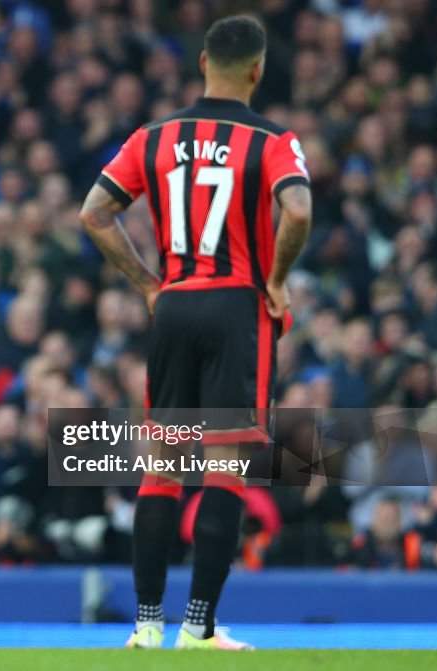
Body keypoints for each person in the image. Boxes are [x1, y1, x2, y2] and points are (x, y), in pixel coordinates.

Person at [79, 16, 312, 650]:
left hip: (175, 306)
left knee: (161, 470)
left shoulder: (153, 137)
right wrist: (280, 278)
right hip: (238, 306)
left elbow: (94, 213)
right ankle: (199, 628)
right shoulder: (271, 140)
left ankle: (146, 627)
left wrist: (148, 283)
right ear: (257, 70)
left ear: (203, 62)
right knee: (224, 468)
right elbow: (298, 208)